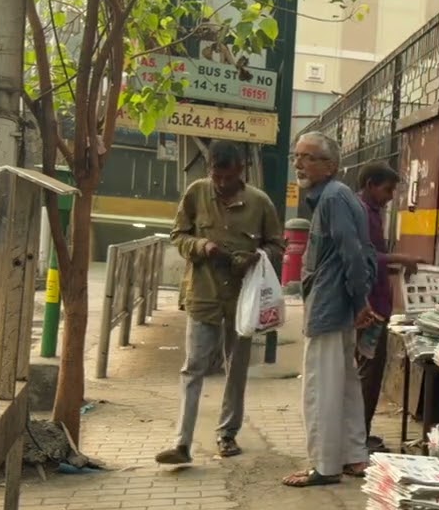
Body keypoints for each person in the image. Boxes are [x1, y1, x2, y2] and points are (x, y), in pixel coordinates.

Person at [158, 140, 284, 464]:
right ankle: (182, 442)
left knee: (236, 369)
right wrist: (200, 245)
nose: (222, 184)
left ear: (240, 170)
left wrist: (255, 258)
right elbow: (178, 235)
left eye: (228, 177)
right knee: (193, 368)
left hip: (243, 300)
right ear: (210, 169)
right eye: (217, 176)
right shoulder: (196, 192)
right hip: (204, 294)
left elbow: (277, 246)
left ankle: (227, 434)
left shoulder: (260, 203)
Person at [281, 131, 376, 488]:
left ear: (330, 166)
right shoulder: (339, 196)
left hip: (329, 306)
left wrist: (359, 301)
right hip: (340, 304)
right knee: (346, 384)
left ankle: (324, 465)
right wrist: (359, 301)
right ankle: (354, 456)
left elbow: (352, 253)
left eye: (308, 157)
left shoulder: (334, 198)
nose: (298, 164)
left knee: (321, 387)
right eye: (297, 156)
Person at [354, 162, 421, 453]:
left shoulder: (373, 213)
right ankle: (358, 438)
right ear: (370, 184)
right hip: (370, 309)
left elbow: (371, 260)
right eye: (388, 189)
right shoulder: (361, 213)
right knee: (368, 375)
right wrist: (400, 259)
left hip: (377, 303)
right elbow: (363, 255)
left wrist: (393, 269)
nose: (391, 196)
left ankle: (359, 434)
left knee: (369, 374)